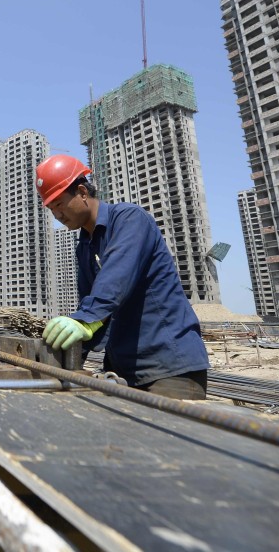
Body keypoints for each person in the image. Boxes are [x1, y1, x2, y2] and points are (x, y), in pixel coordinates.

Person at [35, 154, 210, 400]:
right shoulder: (85, 246)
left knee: (167, 434)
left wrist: (84, 320)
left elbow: (115, 281)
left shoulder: (129, 219)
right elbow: (93, 304)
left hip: (169, 367)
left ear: (82, 192)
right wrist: (66, 354)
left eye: (60, 204)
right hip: (122, 368)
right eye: (51, 208)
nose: (57, 215)